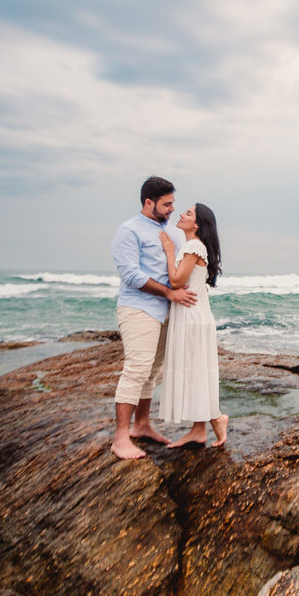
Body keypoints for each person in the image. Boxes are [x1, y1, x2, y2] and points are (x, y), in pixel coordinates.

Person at [110, 176, 198, 460]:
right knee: (136, 368)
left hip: (167, 311)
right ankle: (120, 438)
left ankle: (142, 425)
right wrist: (169, 293)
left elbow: (179, 269)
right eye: (167, 204)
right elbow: (131, 275)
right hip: (139, 308)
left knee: (152, 371)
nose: (172, 209)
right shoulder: (129, 231)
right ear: (149, 202)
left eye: (173, 203)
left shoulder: (171, 232)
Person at [158, 203, 227, 447]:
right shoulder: (194, 246)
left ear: (197, 224)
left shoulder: (194, 246)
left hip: (191, 318)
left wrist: (169, 251)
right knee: (194, 372)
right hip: (194, 316)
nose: (181, 214)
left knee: (193, 371)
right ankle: (200, 429)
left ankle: (214, 419)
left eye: (188, 213)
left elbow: (176, 281)